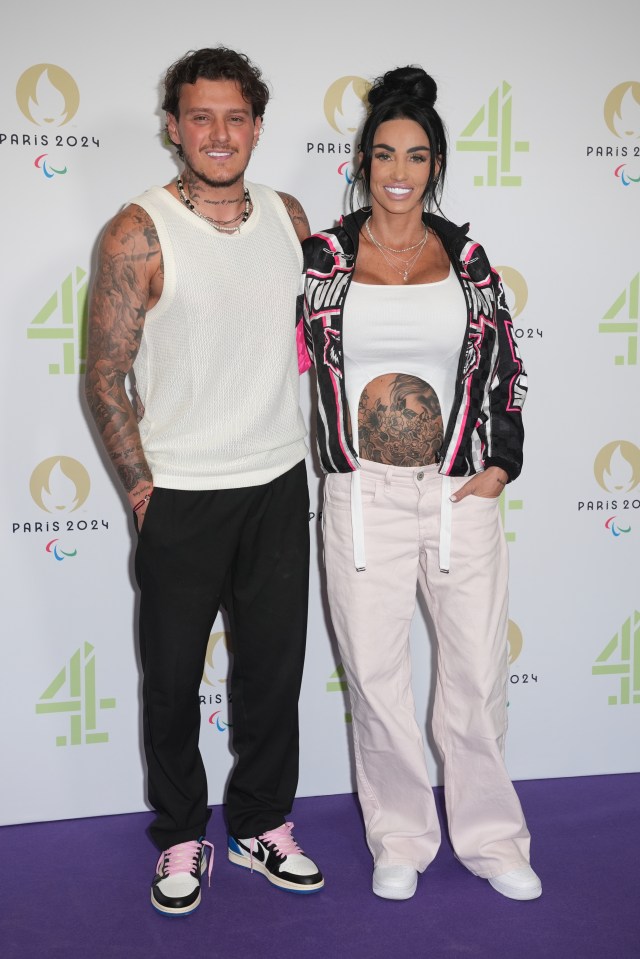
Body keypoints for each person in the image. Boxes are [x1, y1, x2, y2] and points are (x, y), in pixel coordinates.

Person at [85, 47, 323, 917]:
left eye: (235, 117)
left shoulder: (293, 219)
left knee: (272, 671)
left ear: (257, 125)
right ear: (175, 126)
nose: (218, 134)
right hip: (179, 491)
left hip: (275, 481)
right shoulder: (136, 229)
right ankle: (182, 832)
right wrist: (142, 489)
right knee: (173, 676)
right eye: (200, 117)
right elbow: (105, 374)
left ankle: (262, 822)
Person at [300, 66, 540, 902]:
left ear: (435, 163)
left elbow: (505, 369)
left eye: (416, 155)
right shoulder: (322, 259)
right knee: (376, 679)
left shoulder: (468, 261)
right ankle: (399, 836)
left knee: (474, 675)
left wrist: (501, 460)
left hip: (456, 496)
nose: (398, 172)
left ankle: (493, 840)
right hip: (359, 500)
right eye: (383, 155)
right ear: (362, 161)